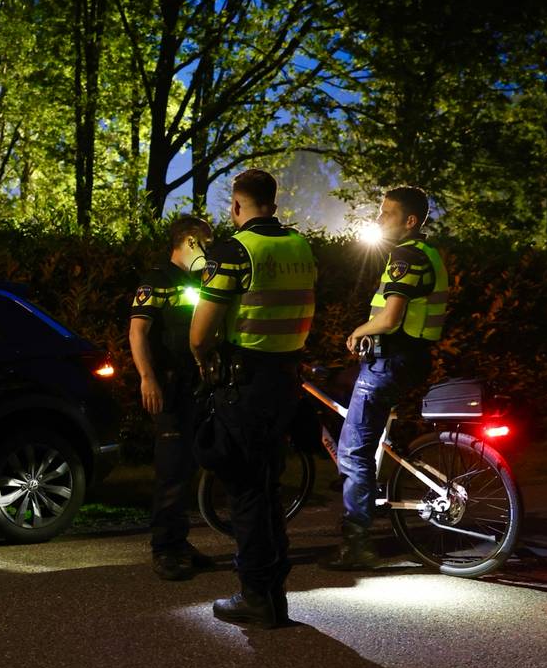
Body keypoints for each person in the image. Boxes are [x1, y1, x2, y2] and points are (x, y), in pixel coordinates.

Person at [190, 168, 317, 629]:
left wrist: (202, 360)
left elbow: (201, 333)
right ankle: (274, 593)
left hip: (246, 383)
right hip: (287, 381)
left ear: (237, 206)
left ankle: (256, 596)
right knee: (267, 486)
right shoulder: (300, 246)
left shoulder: (233, 251)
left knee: (245, 490)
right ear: (274, 203)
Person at [323, 186, 448, 570]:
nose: (379, 221)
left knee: (353, 449)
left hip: (392, 359)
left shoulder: (407, 257)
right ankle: (368, 493)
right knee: (361, 428)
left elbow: (390, 318)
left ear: (410, 221)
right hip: (407, 357)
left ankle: (358, 544)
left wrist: (359, 330)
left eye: (386, 214)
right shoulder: (427, 253)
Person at [129, 215, 216, 580]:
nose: (209, 252)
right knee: (170, 469)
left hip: (195, 387)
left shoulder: (199, 281)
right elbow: (138, 332)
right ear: (189, 241)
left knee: (187, 467)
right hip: (168, 386)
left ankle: (178, 541)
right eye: (205, 244)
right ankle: (164, 549)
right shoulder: (157, 281)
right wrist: (148, 378)